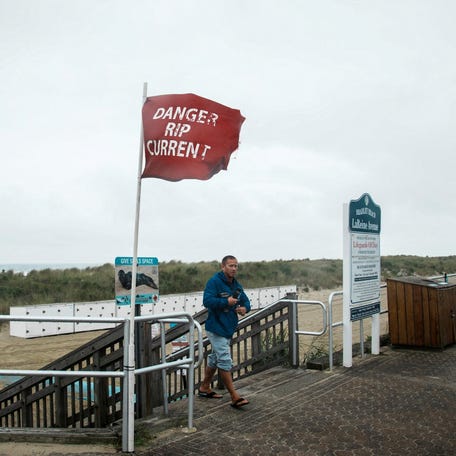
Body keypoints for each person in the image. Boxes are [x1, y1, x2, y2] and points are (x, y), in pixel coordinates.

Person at [198, 255, 251, 408]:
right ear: (223, 267)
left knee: (215, 358)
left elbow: (246, 301)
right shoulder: (214, 282)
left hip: (228, 328)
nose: (234, 268)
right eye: (230, 266)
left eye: (236, 266)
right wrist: (225, 302)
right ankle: (235, 397)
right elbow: (207, 301)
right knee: (225, 360)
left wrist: (244, 309)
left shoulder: (236, 285)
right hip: (216, 328)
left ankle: (204, 387)